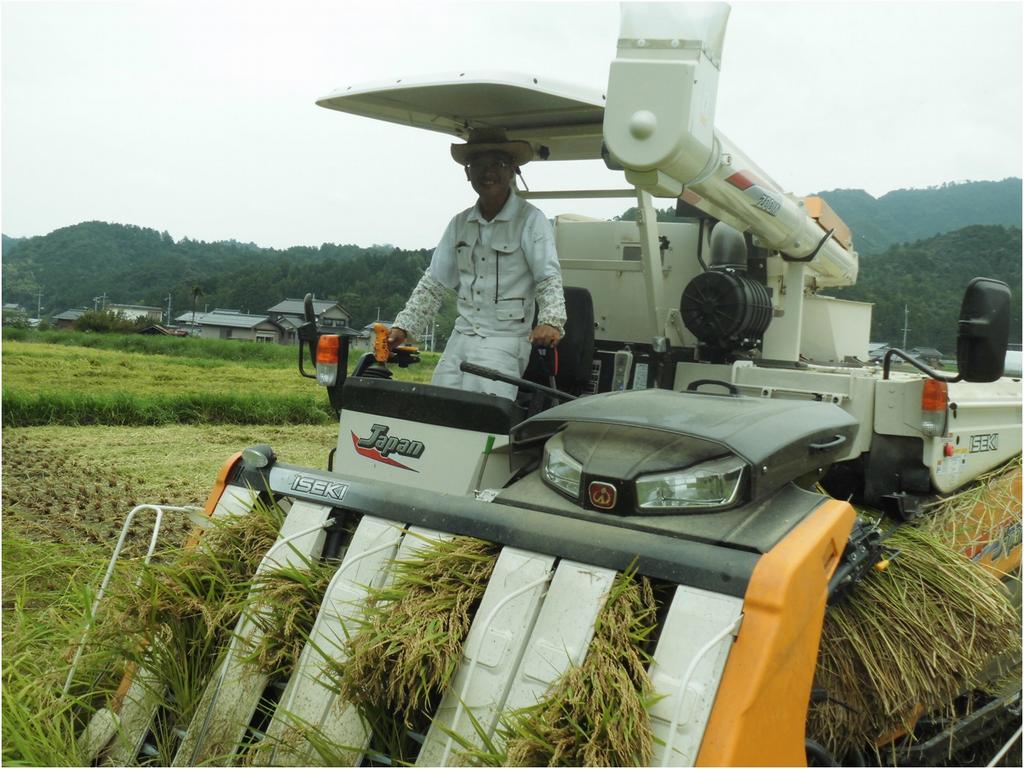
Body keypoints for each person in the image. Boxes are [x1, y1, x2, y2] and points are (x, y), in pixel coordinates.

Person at [388, 128, 567, 400]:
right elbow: (433, 284)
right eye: (479, 165)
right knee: (436, 406)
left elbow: (547, 277)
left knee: (482, 416)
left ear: (513, 171)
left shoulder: (531, 220)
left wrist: (551, 322)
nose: (488, 172)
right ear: (467, 173)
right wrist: (404, 328)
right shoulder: (460, 223)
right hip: (462, 334)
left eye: (498, 163)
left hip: (504, 339)